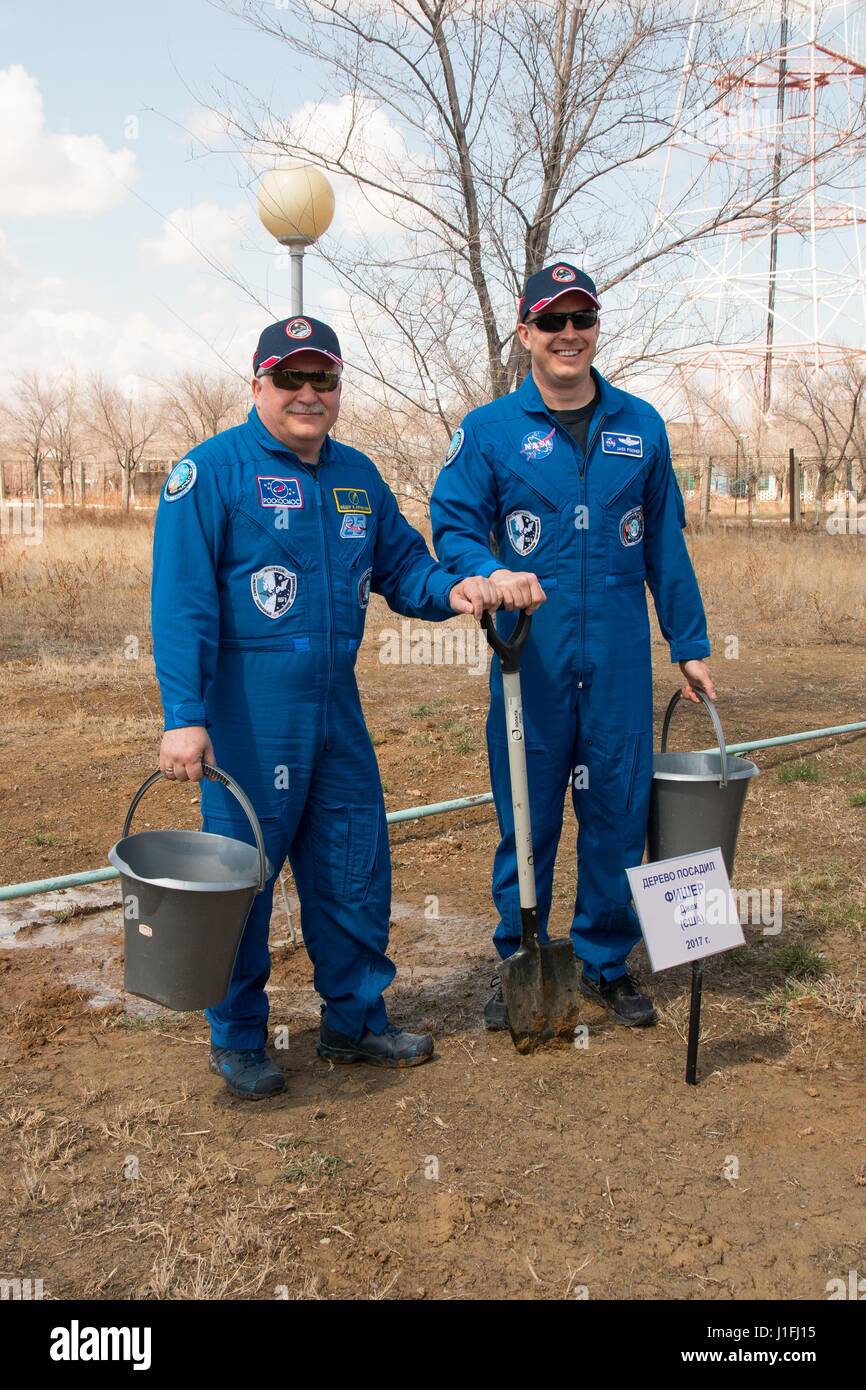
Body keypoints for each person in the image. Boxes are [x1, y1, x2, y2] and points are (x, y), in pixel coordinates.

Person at [151, 315, 501, 1098]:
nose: (309, 394)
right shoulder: (210, 475)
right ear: (258, 386)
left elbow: (405, 567)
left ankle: (355, 1021)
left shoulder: (356, 477)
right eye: (290, 378)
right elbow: (181, 607)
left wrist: (457, 589)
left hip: (335, 709)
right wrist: (184, 715)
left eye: (325, 379)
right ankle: (239, 1036)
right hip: (248, 714)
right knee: (241, 878)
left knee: (353, 864)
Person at [430, 264, 716, 1030]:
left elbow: (665, 544)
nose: (568, 335)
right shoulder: (490, 430)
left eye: (581, 320)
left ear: (596, 329)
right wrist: (489, 571)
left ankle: (604, 961)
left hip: (619, 653)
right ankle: (521, 958)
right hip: (533, 654)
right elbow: (452, 522)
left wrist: (688, 643)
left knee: (619, 810)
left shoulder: (640, 425)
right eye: (551, 322)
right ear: (526, 334)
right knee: (528, 815)